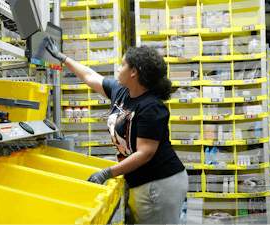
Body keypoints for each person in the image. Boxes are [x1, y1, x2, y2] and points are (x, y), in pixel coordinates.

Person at [46, 37, 188, 224]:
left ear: (134, 72)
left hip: (159, 184)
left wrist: (107, 172)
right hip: (140, 181)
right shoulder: (121, 91)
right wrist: (62, 58)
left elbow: (145, 153)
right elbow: (89, 76)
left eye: (122, 65)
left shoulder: (151, 106)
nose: (118, 69)